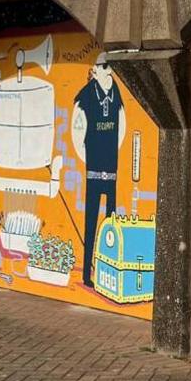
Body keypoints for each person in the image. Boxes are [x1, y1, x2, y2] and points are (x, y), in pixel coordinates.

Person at [71, 53, 126, 292]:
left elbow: (122, 126)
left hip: (111, 167)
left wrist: (112, 151)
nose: (105, 72)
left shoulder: (116, 94)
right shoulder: (86, 95)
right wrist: (88, 157)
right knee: (91, 223)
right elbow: (76, 131)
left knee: (110, 224)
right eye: (100, 67)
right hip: (93, 168)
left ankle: (106, 272)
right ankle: (86, 274)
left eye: (105, 67)